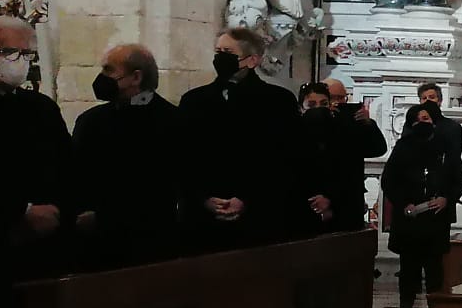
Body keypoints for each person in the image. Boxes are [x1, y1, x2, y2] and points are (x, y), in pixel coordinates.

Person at [177, 26, 299, 251]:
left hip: (259, 220)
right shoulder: (193, 101)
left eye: (229, 53)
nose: (221, 58)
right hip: (202, 220)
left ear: (252, 60)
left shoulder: (278, 102)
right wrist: (202, 198)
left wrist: (247, 199)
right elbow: (182, 157)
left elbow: (284, 160)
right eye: (218, 52)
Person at [0, 16, 70, 272]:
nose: (21, 61)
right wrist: (20, 211)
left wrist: (59, 211)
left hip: (45, 240)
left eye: (26, 54)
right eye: (10, 53)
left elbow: (67, 167)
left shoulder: (41, 107)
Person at [70, 43, 182, 267]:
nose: (102, 77)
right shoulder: (90, 121)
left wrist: (108, 216)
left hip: (152, 240)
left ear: (136, 77)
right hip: (96, 242)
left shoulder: (173, 122)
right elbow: (75, 175)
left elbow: (166, 185)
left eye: (109, 70)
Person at [381, 101, 462, 308]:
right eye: (417, 120)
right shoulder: (403, 148)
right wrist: (403, 203)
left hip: (435, 219)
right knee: (408, 269)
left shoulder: (445, 148)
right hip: (409, 219)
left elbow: (459, 180)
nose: (422, 123)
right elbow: (389, 181)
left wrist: (446, 198)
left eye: (426, 119)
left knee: (435, 269)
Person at [295, 82, 375, 236]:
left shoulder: (343, 130)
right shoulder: (294, 134)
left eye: (324, 103)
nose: (318, 108)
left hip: (343, 215)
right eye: (312, 105)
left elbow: (350, 172)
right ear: (301, 108)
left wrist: (330, 198)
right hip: (305, 215)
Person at [416, 81, 462, 159]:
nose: (427, 101)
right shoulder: (412, 125)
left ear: (439, 101)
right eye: (424, 98)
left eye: (431, 97)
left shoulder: (452, 127)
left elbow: (453, 157)